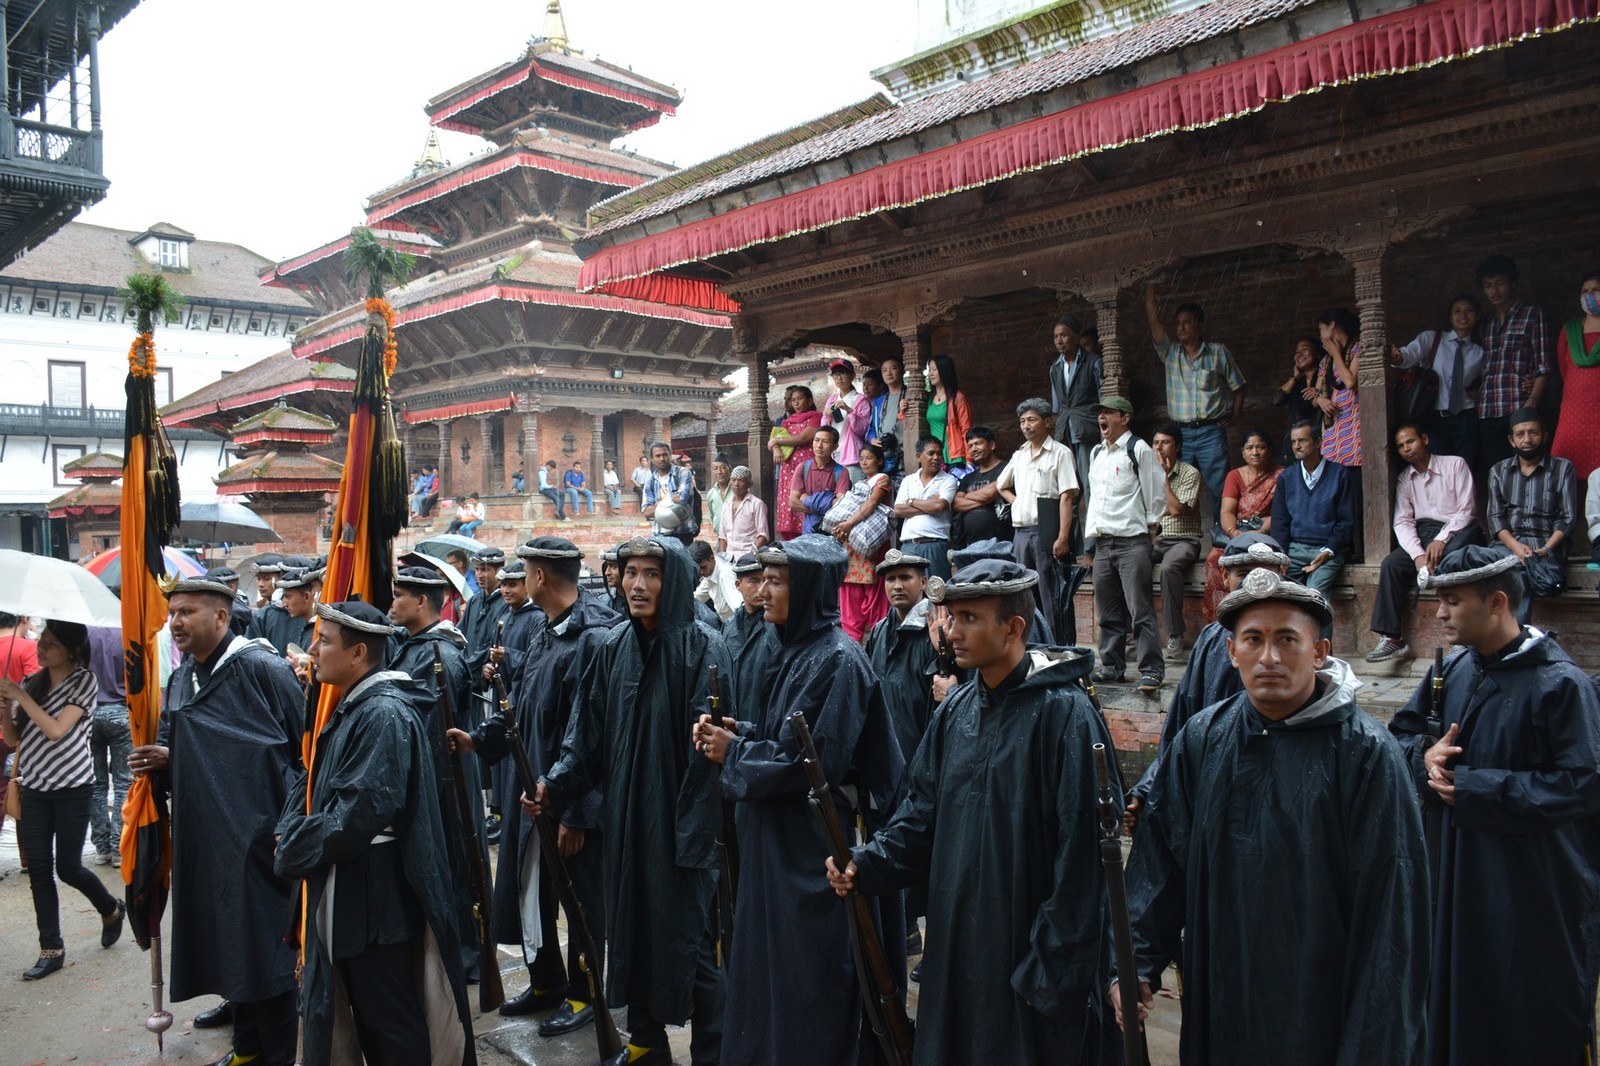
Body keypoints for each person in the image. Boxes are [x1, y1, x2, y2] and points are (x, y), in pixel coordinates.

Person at [1120, 569, 1430, 1064]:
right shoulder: (1203, 739)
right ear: (1231, 652)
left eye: (1287, 639)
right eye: (1254, 640)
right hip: (1223, 981)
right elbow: (1161, 859)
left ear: (1319, 651)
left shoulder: (1365, 754)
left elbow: (1391, 910)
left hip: (1321, 996)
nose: (1269, 657)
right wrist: (1137, 961)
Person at [827, 560, 1120, 1066]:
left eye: (969, 619)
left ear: (1014, 627)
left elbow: (1086, 860)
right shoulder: (956, 712)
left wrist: (1051, 967)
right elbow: (919, 815)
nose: (952, 632)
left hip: (1028, 950)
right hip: (960, 937)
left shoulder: (1066, 715)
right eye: (951, 617)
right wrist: (866, 863)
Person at [696, 535, 904, 1066]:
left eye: (776, 580)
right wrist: (734, 731)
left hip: (812, 849)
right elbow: (781, 734)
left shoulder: (839, 659)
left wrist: (734, 752)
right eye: (761, 579)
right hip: (771, 841)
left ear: (809, 587)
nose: (762, 591)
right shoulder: (783, 648)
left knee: (808, 974)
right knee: (765, 964)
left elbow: (814, 761)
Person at [1389, 547, 1600, 1066]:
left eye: (1453, 602)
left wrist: (1480, 789)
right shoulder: (1454, 670)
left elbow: (1581, 783)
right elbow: (1402, 735)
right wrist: (1424, 756)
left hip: (1529, 890)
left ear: (1498, 602)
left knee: (1524, 1010)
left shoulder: (1560, 684)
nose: (1439, 614)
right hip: (1453, 874)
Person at [533, 536, 728, 1066]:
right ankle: (646, 1042)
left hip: (681, 829)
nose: (637, 585)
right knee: (631, 929)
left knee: (690, 941)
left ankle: (715, 1050)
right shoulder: (612, 646)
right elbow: (586, 736)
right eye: (630, 572)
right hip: (626, 821)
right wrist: (557, 785)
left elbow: (711, 759)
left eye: (652, 574)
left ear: (677, 582)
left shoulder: (704, 648)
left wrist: (690, 834)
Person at [274, 598, 476, 1066]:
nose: (313, 649)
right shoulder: (354, 705)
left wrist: (295, 846)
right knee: (369, 1018)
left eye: (324, 641)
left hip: (375, 898)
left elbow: (359, 813)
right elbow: (313, 778)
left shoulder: (383, 713)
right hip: (356, 891)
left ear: (358, 654)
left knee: (392, 1027)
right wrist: (292, 828)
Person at [449, 537, 619, 1034]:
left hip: (570, 800)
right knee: (534, 891)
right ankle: (546, 981)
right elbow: (523, 709)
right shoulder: (547, 631)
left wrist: (576, 812)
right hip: (534, 791)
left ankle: (587, 990)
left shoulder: (595, 638)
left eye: (525, 570)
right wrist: (478, 742)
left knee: (581, 899)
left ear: (541, 576)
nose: (520, 577)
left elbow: (596, 738)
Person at [131, 578, 303, 1064]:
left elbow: (303, 750)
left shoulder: (262, 670)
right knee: (230, 944)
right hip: (205, 838)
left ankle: (275, 1055)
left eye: (187, 612)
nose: (176, 623)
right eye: (172, 614)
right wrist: (164, 759)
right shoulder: (183, 676)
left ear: (222, 618)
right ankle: (245, 1048)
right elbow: (178, 738)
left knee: (266, 951)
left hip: (259, 840)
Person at [1123, 533, 1292, 830]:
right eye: (1243, 574)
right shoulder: (1210, 641)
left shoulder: (1299, 646)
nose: (1254, 585)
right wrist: (1149, 788)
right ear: (1225, 577)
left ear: (1283, 576)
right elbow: (1182, 728)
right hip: (1214, 796)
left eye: (1265, 574)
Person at [0, 619, 125, 980]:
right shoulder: (31, 682)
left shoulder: (84, 681)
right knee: (38, 870)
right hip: (35, 785)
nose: (41, 648)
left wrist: (21, 697)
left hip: (72, 786)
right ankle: (50, 948)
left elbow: (56, 730)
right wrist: (7, 708)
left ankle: (111, 907)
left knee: (68, 868)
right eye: (42, 641)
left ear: (71, 649)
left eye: (51, 644)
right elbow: (12, 740)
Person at [389, 564, 487, 982]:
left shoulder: (439, 653)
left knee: (458, 865)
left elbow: (430, 730)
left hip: (446, 778)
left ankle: (468, 957)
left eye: (399, 597)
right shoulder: (414, 646)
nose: (392, 604)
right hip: (432, 777)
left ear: (422, 602)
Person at [1367, 424, 1484, 662]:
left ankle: (1463, 639)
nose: (1406, 449)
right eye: (1400, 446)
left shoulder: (1455, 464)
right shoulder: (1404, 479)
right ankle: (1392, 638)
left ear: (1425, 439)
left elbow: (1467, 510)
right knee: (1391, 564)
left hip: (1459, 530)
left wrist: (1442, 539)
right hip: (1423, 533)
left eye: (1410, 441)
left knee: (1452, 560)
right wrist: (1417, 555)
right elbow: (1402, 522)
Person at [1083, 395, 1165, 693]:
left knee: (1140, 610)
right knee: (1108, 613)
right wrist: (1091, 546)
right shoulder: (1096, 453)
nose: (1101, 418)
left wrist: (1151, 531)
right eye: (1100, 413)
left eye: (1108, 413)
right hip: (1103, 544)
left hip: (1132, 542)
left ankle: (1151, 671)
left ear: (1125, 418)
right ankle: (1112, 667)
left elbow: (1155, 493)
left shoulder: (1137, 448)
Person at [1145, 285, 1246, 518]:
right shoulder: (1170, 354)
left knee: (1219, 487)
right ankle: (1185, 539)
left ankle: (1223, 539)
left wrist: (1234, 415)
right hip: (1180, 435)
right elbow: (1153, 323)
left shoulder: (1218, 353)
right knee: (1180, 486)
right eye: (1178, 323)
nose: (1181, 327)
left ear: (1200, 326)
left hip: (1211, 431)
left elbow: (1239, 387)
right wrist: (1150, 288)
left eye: (1187, 322)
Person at [997, 397, 1079, 638]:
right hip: (1021, 531)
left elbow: (1067, 497)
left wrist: (1063, 537)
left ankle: (1057, 647)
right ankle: (1033, 645)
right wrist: (1018, 501)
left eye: (1032, 420)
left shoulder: (1059, 453)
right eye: (1022, 421)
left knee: (1050, 594)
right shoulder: (1020, 454)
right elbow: (1001, 485)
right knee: (1024, 593)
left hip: (1046, 530)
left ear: (1047, 422)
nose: (1026, 426)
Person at [1486, 408, 1578, 622]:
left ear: (1544, 436)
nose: (1527, 439)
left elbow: (1567, 518)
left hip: (1546, 546)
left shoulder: (1562, 469)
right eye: (1520, 434)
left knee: (1520, 569)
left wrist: (1544, 550)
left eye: (1533, 432)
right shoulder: (1498, 471)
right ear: (1511, 440)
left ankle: (1515, 637)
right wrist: (1517, 548)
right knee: (1492, 565)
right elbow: (1495, 518)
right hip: (1508, 545)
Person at [863, 548, 938, 804]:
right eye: (891, 579)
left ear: (923, 582)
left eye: (905, 577)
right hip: (883, 755)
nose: (897, 586)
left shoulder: (936, 631)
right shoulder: (880, 631)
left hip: (921, 757)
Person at [1269, 420, 1355, 623]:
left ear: (1318, 442)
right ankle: (1292, 652)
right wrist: (1281, 557)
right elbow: (1280, 523)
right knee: (1283, 596)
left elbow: (1346, 522)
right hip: (1294, 550)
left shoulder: (1339, 474)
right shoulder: (1287, 478)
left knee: (1315, 597)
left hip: (1326, 551)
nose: (1297, 446)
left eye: (1302, 440)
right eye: (1293, 442)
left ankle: (1320, 654)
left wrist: (1329, 550)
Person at [1476, 254, 1553, 470]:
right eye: (1488, 285)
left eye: (1500, 283)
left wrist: (1532, 404)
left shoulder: (1532, 315)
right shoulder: (1485, 324)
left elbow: (1544, 366)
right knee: (1498, 472)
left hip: (1519, 406)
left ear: (1513, 283)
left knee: (1527, 469)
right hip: (1487, 410)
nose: (1494, 291)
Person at [1389, 293, 1485, 465]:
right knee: (1437, 466)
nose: (1463, 316)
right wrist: (1398, 357)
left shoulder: (1480, 351)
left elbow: (1486, 379)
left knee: (1465, 465)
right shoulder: (1432, 339)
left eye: (1469, 311)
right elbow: (1410, 354)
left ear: (1477, 316)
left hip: (1465, 416)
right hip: (1435, 417)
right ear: (1450, 316)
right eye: (1457, 311)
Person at [1201, 430, 1280, 620]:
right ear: (1243, 452)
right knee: (1214, 558)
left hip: (1266, 534)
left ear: (1269, 450)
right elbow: (1227, 510)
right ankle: (1220, 618)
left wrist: (1260, 531)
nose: (1255, 452)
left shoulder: (1280, 475)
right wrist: (1233, 532)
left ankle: (1254, 616)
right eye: (1250, 448)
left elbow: (1281, 513)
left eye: (1260, 447)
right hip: (1237, 535)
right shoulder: (1234, 476)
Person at [831, 440, 895, 640]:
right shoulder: (859, 484)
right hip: (853, 547)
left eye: (869, 458)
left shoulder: (882, 480)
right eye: (861, 459)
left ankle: (878, 645)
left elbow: (872, 503)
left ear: (880, 461)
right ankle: (853, 647)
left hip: (873, 545)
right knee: (850, 599)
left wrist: (848, 524)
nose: (864, 462)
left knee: (876, 599)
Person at [1151, 423, 1203, 661]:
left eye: (1165, 442)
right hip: (1156, 540)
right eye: (1156, 442)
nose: (1159, 447)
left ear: (1178, 446)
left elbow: (1176, 509)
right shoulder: (1145, 473)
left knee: (1170, 568)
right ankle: (1133, 633)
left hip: (1185, 540)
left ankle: (1174, 634)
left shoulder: (1189, 473)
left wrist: (1162, 476)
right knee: (1129, 561)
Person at [1048, 314, 1103, 534]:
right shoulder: (1055, 368)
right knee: (1067, 489)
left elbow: (1101, 400)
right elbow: (1057, 405)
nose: (1059, 341)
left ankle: (1092, 546)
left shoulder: (1092, 362)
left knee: (1089, 487)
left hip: (1086, 430)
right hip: (1064, 433)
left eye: (1064, 335)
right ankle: (1071, 543)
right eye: (1056, 337)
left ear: (1076, 337)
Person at [84, 625, 130, 867]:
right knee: (124, 781)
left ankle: (101, 846)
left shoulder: (85, 632)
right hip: (121, 711)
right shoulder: (127, 631)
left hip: (87, 712)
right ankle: (119, 847)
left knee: (96, 782)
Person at [1551, 269, 1600, 484]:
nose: (1590, 295)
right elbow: (1564, 368)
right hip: (1575, 407)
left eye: (1596, 289)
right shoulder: (1570, 329)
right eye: (1585, 291)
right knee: (1569, 465)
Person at [0, 611, 38, 856]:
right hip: (18, 731)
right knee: (23, 789)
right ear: (23, 618)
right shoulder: (27, 648)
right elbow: (36, 687)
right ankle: (29, 856)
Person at [719, 554, 777, 714]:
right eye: (754, 581)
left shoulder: (778, 628)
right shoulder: (729, 627)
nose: (761, 588)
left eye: (765, 580)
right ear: (738, 585)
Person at [772, 385, 825, 540]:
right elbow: (774, 440)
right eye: (793, 400)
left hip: (806, 467)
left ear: (809, 401)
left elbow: (803, 438)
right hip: (788, 468)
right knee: (788, 501)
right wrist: (775, 447)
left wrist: (777, 441)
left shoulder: (815, 417)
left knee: (805, 499)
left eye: (800, 399)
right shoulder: (787, 422)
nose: (795, 403)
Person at [1314, 307, 1363, 468]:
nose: (1320, 335)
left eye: (1321, 329)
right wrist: (1320, 400)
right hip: (1333, 428)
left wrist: (1336, 354)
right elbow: (1314, 395)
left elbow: (1350, 382)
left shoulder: (1359, 348)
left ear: (1332, 325)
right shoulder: (1325, 362)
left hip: (1355, 423)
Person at [951, 426, 1011, 551]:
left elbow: (990, 493)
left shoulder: (1006, 469)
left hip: (1002, 544)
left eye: (978, 443)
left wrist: (967, 496)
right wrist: (985, 500)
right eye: (970, 446)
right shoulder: (968, 478)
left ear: (992, 445)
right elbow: (956, 504)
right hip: (972, 546)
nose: (974, 449)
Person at [1273, 337, 1328, 465]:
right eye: (1297, 352)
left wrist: (1318, 393)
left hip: (1317, 438)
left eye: (1305, 349)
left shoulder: (1325, 376)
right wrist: (1295, 377)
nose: (1299, 354)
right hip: (1295, 439)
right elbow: (1277, 400)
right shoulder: (1297, 382)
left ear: (1317, 352)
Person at [788, 424, 849, 537]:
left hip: (832, 531)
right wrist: (827, 502)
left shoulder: (841, 472)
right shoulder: (802, 468)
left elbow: (841, 506)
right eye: (816, 440)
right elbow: (793, 503)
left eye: (825, 442)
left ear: (835, 447)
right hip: (808, 529)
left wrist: (807, 499)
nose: (819, 445)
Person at [248, 565, 318, 658]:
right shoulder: (262, 616)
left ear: (306, 596)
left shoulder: (320, 629)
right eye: (258, 578)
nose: (284, 604)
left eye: (288, 597)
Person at [642, 439, 697, 545]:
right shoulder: (650, 482)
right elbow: (646, 512)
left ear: (670, 455)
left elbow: (682, 499)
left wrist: (660, 504)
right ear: (652, 459)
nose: (662, 459)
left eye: (665, 455)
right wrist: (671, 499)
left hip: (683, 533)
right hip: (660, 535)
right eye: (657, 456)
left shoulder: (683, 473)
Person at [822, 359, 869, 481]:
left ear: (852, 376)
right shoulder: (831, 400)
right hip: (833, 452)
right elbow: (824, 429)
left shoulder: (860, 400)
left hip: (852, 454)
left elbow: (862, 430)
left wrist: (849, 410)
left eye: (843, 373)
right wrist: (826, 416)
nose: (839, 377)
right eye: (835, 374)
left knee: (854, 494)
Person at [924, 354, 973, 469]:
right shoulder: (929, 398)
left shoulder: (958, 398)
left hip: (954, 455)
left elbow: (966, 429)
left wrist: (969, 459)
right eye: (929, 370)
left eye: (934, 370)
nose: (931, 374)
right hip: (935, 455)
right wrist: (902, 412)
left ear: (944, 371)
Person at [716, 464, 769, 558]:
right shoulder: (726, 505)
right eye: (733, 480)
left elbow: (763, 535)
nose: (736, 484)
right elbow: (722, 537)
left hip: (748, 557)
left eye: (741, 480)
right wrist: (722, 558)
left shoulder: (756, 504)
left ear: (748, 483)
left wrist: (749, 556)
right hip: (729, 557)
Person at [860, 368, 898, 479]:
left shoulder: (886, 399)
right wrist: (872, 439)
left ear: (881, 385)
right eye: (864, 385)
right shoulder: (873, 403)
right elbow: (872, 428)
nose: (866, 388)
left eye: (870, 384)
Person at [689, 540, 738, 625]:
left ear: (712, 558)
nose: (700, 572)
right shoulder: (709, 574)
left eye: (703, 567)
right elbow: (697, 597)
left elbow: (737, 608)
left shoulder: (725, 575)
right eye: (698, 569)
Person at [874, 355, 906, 477]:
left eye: (893, 368)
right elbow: (872, 428)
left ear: (902, 370)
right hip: (886, 453)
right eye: (884, 370)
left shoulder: (910, 394)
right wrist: (873, 439)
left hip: (905, 451)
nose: (888, 373)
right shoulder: (879, 401)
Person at [703, 455, 732, 533]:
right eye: (715, 468)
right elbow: (712, 516)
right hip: (720, 537)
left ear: (729, 469)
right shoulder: (711, 494)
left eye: (723, 468)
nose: (719, 472)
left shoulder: (737, 490)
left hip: (737, 538)